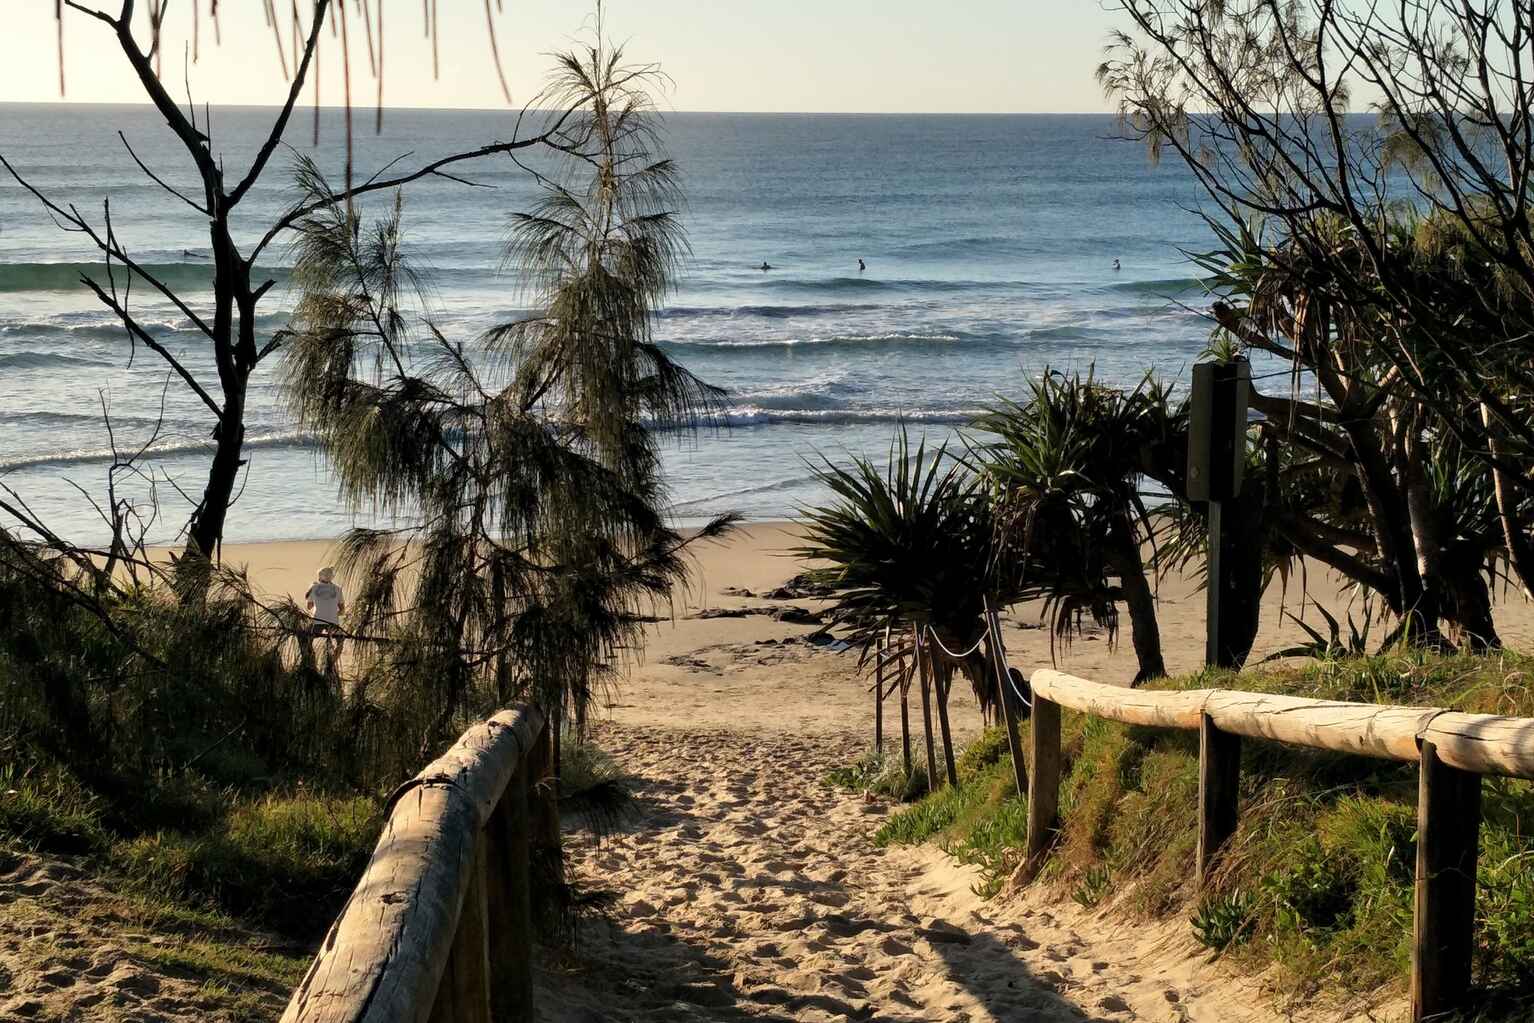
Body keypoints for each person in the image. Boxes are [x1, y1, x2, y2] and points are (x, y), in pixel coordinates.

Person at [305, 566, 347, 672]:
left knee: (306, 639)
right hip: (333, 622)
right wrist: (334, 614)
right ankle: (331, 664)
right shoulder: (338, 589)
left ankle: (311, 661)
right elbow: (342, 610)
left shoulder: (314, 588)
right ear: (332, 577)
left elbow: (309, 607)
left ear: (319, 577)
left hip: (317, 621)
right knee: (340, 642)